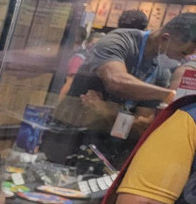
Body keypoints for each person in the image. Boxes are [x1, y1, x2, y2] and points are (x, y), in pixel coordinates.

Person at [52, 13, 196, 164]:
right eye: (182, 53)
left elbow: (143, 125)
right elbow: (116, 81)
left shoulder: (161, 70)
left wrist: (108, 112)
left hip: (109, 147)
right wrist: (170, 95)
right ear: (165, 39)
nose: (182, 60)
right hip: (69, 136)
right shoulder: (119, 41)